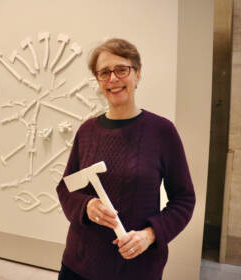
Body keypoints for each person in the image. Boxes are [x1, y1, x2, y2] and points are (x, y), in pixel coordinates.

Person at [56, 38, 196, 280]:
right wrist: (86, 206)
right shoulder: (87, 131)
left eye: (122, 69)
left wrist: (150, 235)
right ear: (98, 80)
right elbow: (66, 188)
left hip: (136, 269)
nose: (113, 79)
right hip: (79, 265)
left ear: (137, 74)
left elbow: (184, 200)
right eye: (104, 73)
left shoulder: (162, 131)